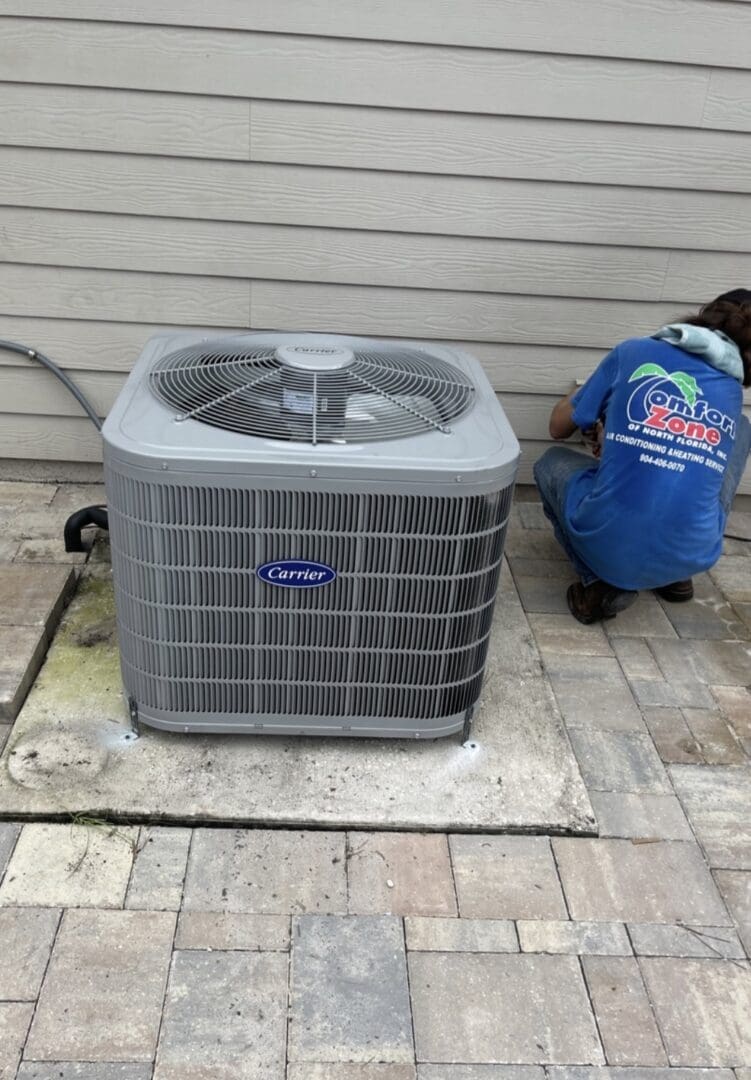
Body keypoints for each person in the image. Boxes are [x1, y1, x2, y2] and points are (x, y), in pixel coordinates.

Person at [533, 289, 751, 624]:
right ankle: (675, 576)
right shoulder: (731, 392)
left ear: (704, 313)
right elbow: (683, 445)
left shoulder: (634, 352)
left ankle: (599, 586)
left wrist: (590, 393)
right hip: (696, 552)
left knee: (548, 464)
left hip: (610, 540)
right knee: (741, 430)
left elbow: (557, 426)